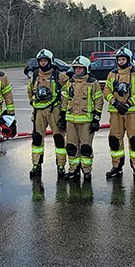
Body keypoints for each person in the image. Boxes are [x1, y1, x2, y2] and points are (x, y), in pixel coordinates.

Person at [104, 47, 135, 180]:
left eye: (123, 59)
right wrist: (115, 103)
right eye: (119, 59)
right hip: (116, 113)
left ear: (128, 60)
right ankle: (116, 166)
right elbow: (106, 91)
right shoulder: (112, 74)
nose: (121, 61)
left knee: (134, 140)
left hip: (132, 113)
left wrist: (128, 103)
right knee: (115, 140)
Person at [27, 49, 69, 178]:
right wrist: (33, 102)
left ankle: (61, 165)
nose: (43, 63)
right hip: (39, 111)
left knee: (59, 139)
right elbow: (30, 91)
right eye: (41, 61)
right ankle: (36, 164)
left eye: (45, 61)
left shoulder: (59, 76)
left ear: (50, 61)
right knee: (37, 139)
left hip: (54, 110)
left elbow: (68, 91)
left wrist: (63, 110)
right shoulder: (35, 76)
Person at [62, 56, 105, 181]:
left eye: (80, 68)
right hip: (71, 120)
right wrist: (62, 115)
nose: (78, 70)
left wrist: (96, 119)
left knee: (85, 147)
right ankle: (73, 169)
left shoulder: (93, 82)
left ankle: (86, 171)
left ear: (86, 69)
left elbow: (99, 101)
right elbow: (65, 99)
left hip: (86, 121)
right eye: (76, 68)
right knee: (71, 146)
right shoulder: (70, 82)